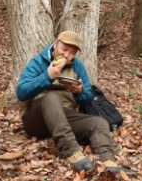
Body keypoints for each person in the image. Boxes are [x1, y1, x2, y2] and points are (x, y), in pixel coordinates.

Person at [16, 30, 125, 173]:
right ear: (55, 44)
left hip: (65, 118)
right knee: (51, 98)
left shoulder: (77, 67)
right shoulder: (38, 62)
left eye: (72, 52)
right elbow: (21, 92)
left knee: (99, 123)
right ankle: (71, 152)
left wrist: (79, 92)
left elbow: (87, 98)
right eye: (64, 49)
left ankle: (108, 161)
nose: (67, 55)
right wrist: (47, 76)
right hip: (36, 119)